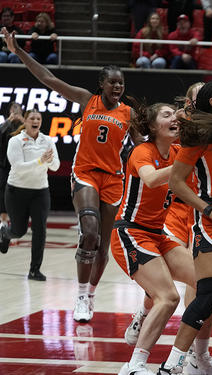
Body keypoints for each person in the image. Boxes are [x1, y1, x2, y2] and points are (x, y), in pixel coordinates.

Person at [1, 28, 137, 323]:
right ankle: (79, 295)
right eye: (112, 82)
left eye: (121, 83)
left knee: (102, 245)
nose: (117, 86)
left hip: (114, 179)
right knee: (89, 233)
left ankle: (90, 295)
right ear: (101, 84)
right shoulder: (88, 100)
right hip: (85, 173)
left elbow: (146, 144)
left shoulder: (129, 114)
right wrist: (19, 52)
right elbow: (48, 78)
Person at [157, 80, 212, 374]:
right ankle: (174, 364)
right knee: (209, 293)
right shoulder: (199, 137)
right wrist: (208, 208)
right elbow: (176, 182)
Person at [111, 103, 196, 375]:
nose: (174, 119)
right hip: (130, 233)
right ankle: (134, 365)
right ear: (152, 126)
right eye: (167, 115)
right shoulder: (141, 151)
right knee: (169, 297)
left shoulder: (176, 152)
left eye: (175, 114)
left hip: (158, 234)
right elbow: (150, 179)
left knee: (204, 280)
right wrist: (185, 162)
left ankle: (193, 353)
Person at [0, 109, 59, 281]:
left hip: (40, 191)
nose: (35, 121)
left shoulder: (47, 140)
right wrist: (41, 161)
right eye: (32, 118)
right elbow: (18, 166)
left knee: (40, 230)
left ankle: (34, 270)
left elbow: (54, 166)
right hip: (16, 191)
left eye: (38, 118)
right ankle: (6, 233)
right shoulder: (15, 141)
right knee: (19, 231)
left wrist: (48, 160)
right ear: (25, 121)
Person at [0, 102, 23, 226]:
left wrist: (24, 121)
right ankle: (3, 221)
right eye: (13, 111)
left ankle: (17, 219)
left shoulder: (25, 125)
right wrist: (9, 120)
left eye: (18, 111)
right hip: (4, 165)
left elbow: (37, 134)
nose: (15, 113)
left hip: (20, 166)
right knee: (3, 192)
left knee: (19, 192)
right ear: (9, 112)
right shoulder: (5, 124)